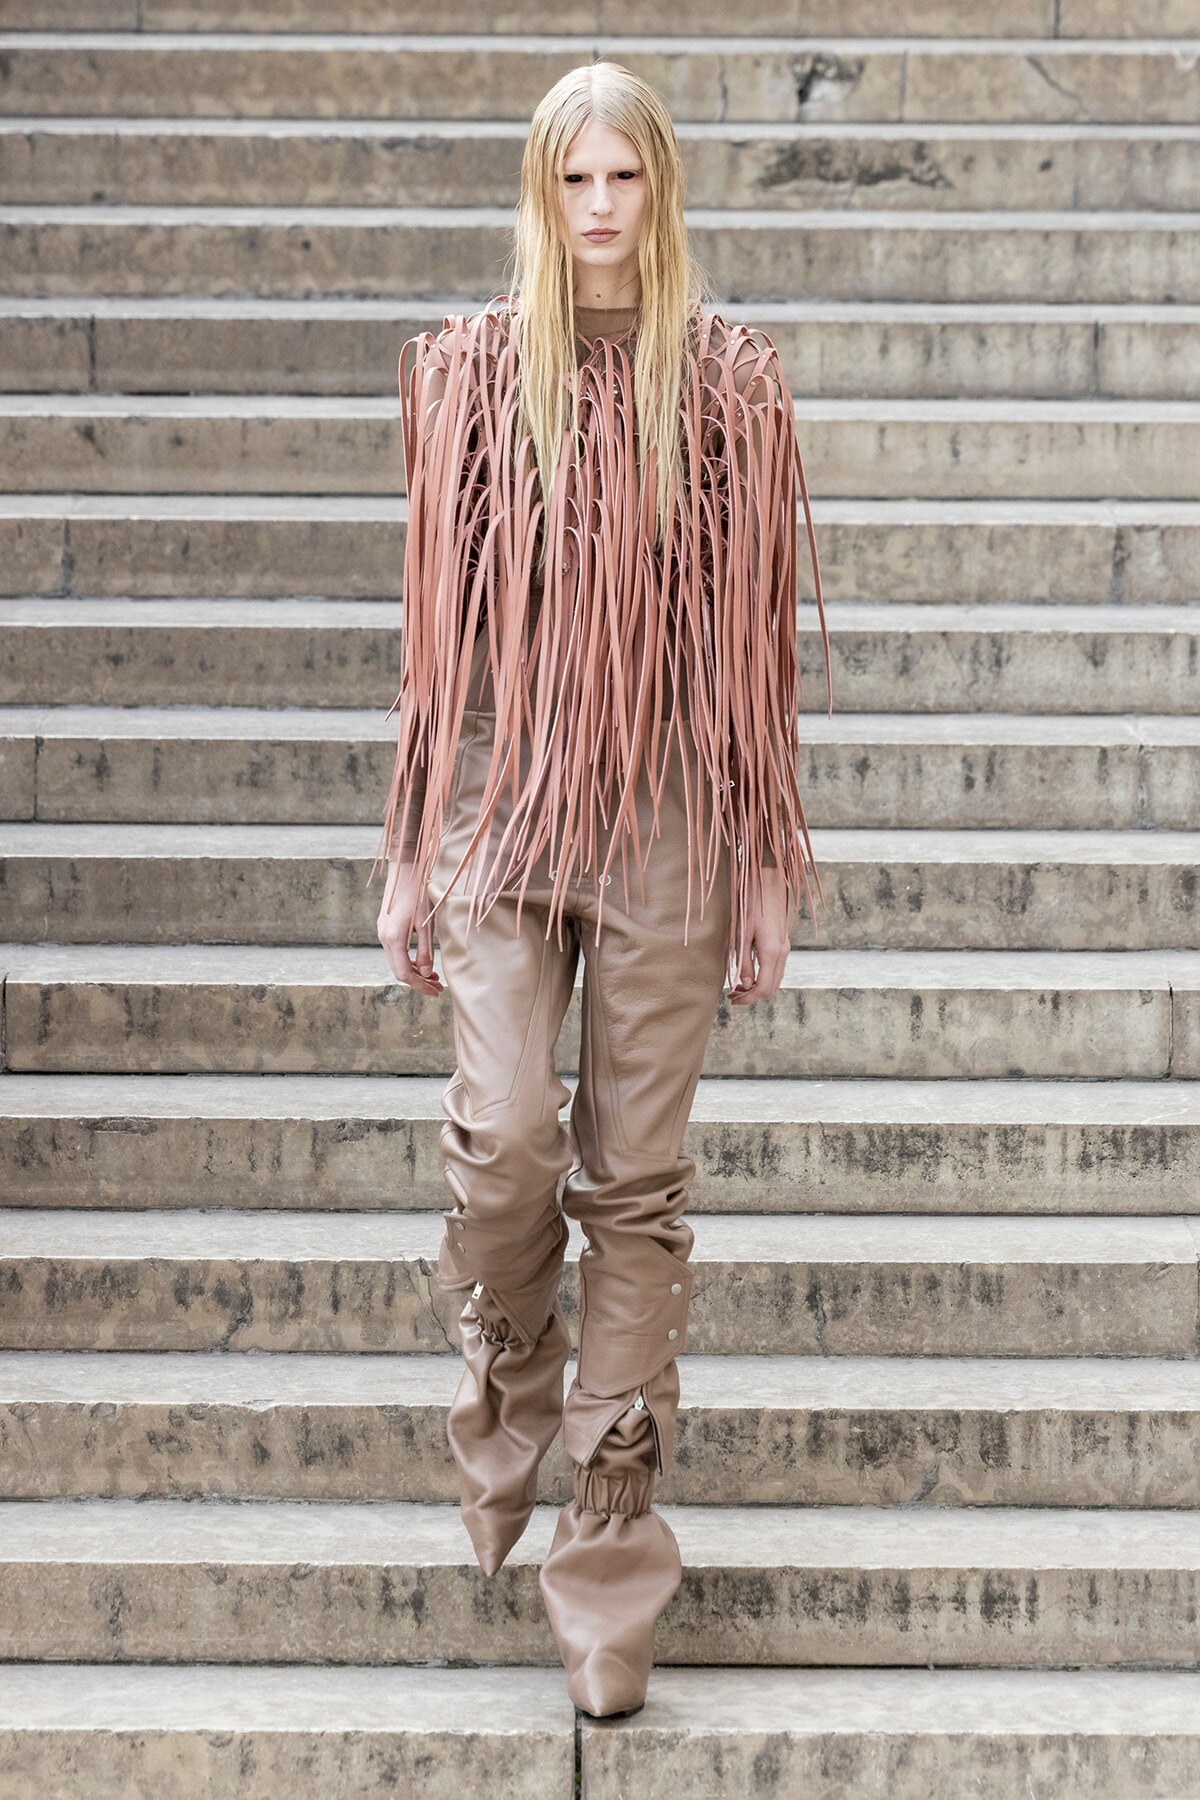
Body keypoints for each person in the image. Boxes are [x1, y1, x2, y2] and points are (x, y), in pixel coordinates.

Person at [375, 59, 827, 1719]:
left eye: (626, 181)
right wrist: (413, 848)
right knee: (505, 1143)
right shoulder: (477, 376)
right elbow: (435, 649)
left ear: (666, 193)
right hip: (512, 810)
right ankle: (506, 1376)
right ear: (537, 197)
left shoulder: (729, 386)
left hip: (672, 832)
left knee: (636, 1185)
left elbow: (762, 657)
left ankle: (609, 1564)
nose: (600, 214)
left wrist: (768, 864)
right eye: (573, 184)